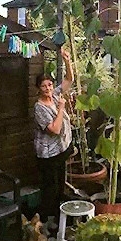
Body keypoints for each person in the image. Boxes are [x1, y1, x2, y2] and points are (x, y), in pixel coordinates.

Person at [34, 48, 74, 225]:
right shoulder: (39, 107)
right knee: (50, 190)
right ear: (38, 89)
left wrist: (66, 60)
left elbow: (69, 80)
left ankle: (58, 221)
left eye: (50, 85)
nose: (48, 88)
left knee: (59, 187)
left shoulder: (56, 95)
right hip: (48, 155)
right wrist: (61, 109)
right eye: (44, 86)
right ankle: (45, 222)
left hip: (60, 151)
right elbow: (55, 129)